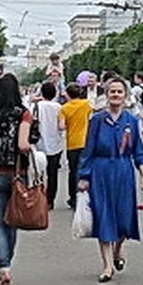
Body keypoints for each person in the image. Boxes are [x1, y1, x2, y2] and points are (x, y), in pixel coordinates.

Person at [76, 75, 143, 283]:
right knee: (104, 215)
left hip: (124, 171)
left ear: (125, 96)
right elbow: (88, 150)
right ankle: (107, 265)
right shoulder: (97, 120)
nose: (116, 95)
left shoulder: (132, 121)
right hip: (101, 171)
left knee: (124, 216)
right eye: (112, 92)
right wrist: (84, 176)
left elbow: (139, 152)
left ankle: (118, 249)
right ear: (106, 95)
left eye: (119, 92)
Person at [0, 73, 32, 285]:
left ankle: (3, 267)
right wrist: (31, 149)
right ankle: (6, 263)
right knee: (14, 220)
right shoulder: (23, 114)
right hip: (17, 175)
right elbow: (23, 144)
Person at [33, 81, 64, 209]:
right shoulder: (59, 107)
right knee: (53, 174)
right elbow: (61, 126)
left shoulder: (36, 106)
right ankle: (50, 200)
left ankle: (38, 197)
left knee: (38, 173)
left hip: (39, 144)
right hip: (56, 144)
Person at [61, 82, 93, 210]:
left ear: (68, 95)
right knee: (83, 169)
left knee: (73, 171)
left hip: (72, 143)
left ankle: (73, 198)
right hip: (85, 141)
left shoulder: (64, 108)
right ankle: (83, 195)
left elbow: (61, 126)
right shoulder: (86, 105)